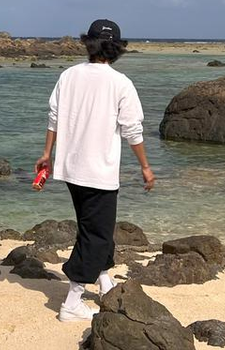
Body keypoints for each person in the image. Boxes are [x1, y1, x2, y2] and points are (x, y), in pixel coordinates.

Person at [34, 19, 156, 323]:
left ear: (88, 43)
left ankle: (104, 281)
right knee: (96, 234)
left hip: (70, 169)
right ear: (117, 49)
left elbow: (54, 118)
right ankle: (72, 302)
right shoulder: (120, 83)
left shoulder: (68, 75)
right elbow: (132, 130)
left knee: (95, 227)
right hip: (98, 172)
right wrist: (145, 166)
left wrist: (47, 154)